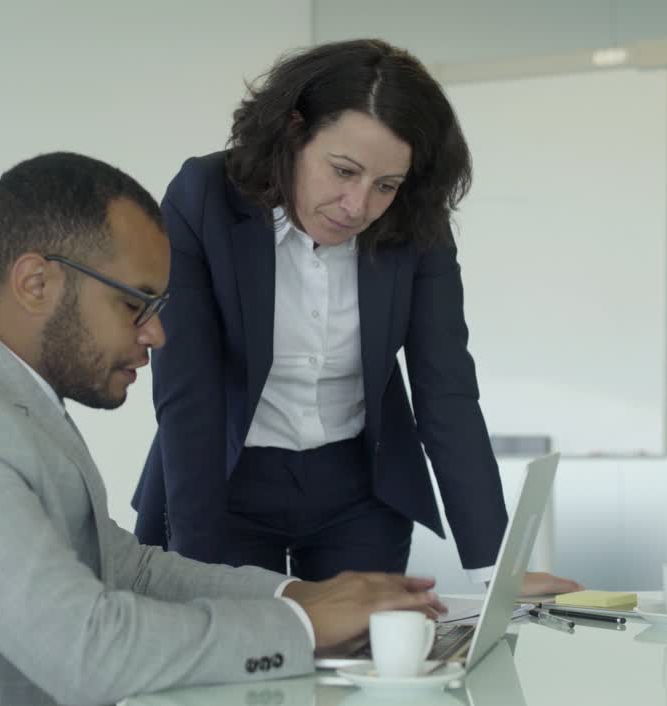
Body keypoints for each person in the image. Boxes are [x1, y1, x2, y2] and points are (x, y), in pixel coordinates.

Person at [0, 152, 446, 706]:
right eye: (133, 305)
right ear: (37, 284)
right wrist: (302, 626)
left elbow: (127, 570)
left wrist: (300, 591)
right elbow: (82, 651)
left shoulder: (11, 405)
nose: (156, 336)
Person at [132, 39, 580, 595]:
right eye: (343, 171)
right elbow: (188, 394)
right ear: (294, 132)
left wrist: (497, 570)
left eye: (385, 185)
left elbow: (447, 390)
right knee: (242, 658)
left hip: (360, 488)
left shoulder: (415, 221)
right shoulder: (204, 196)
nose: (357, 206)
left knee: (370, 662)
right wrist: (191, 572)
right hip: (224, 480)